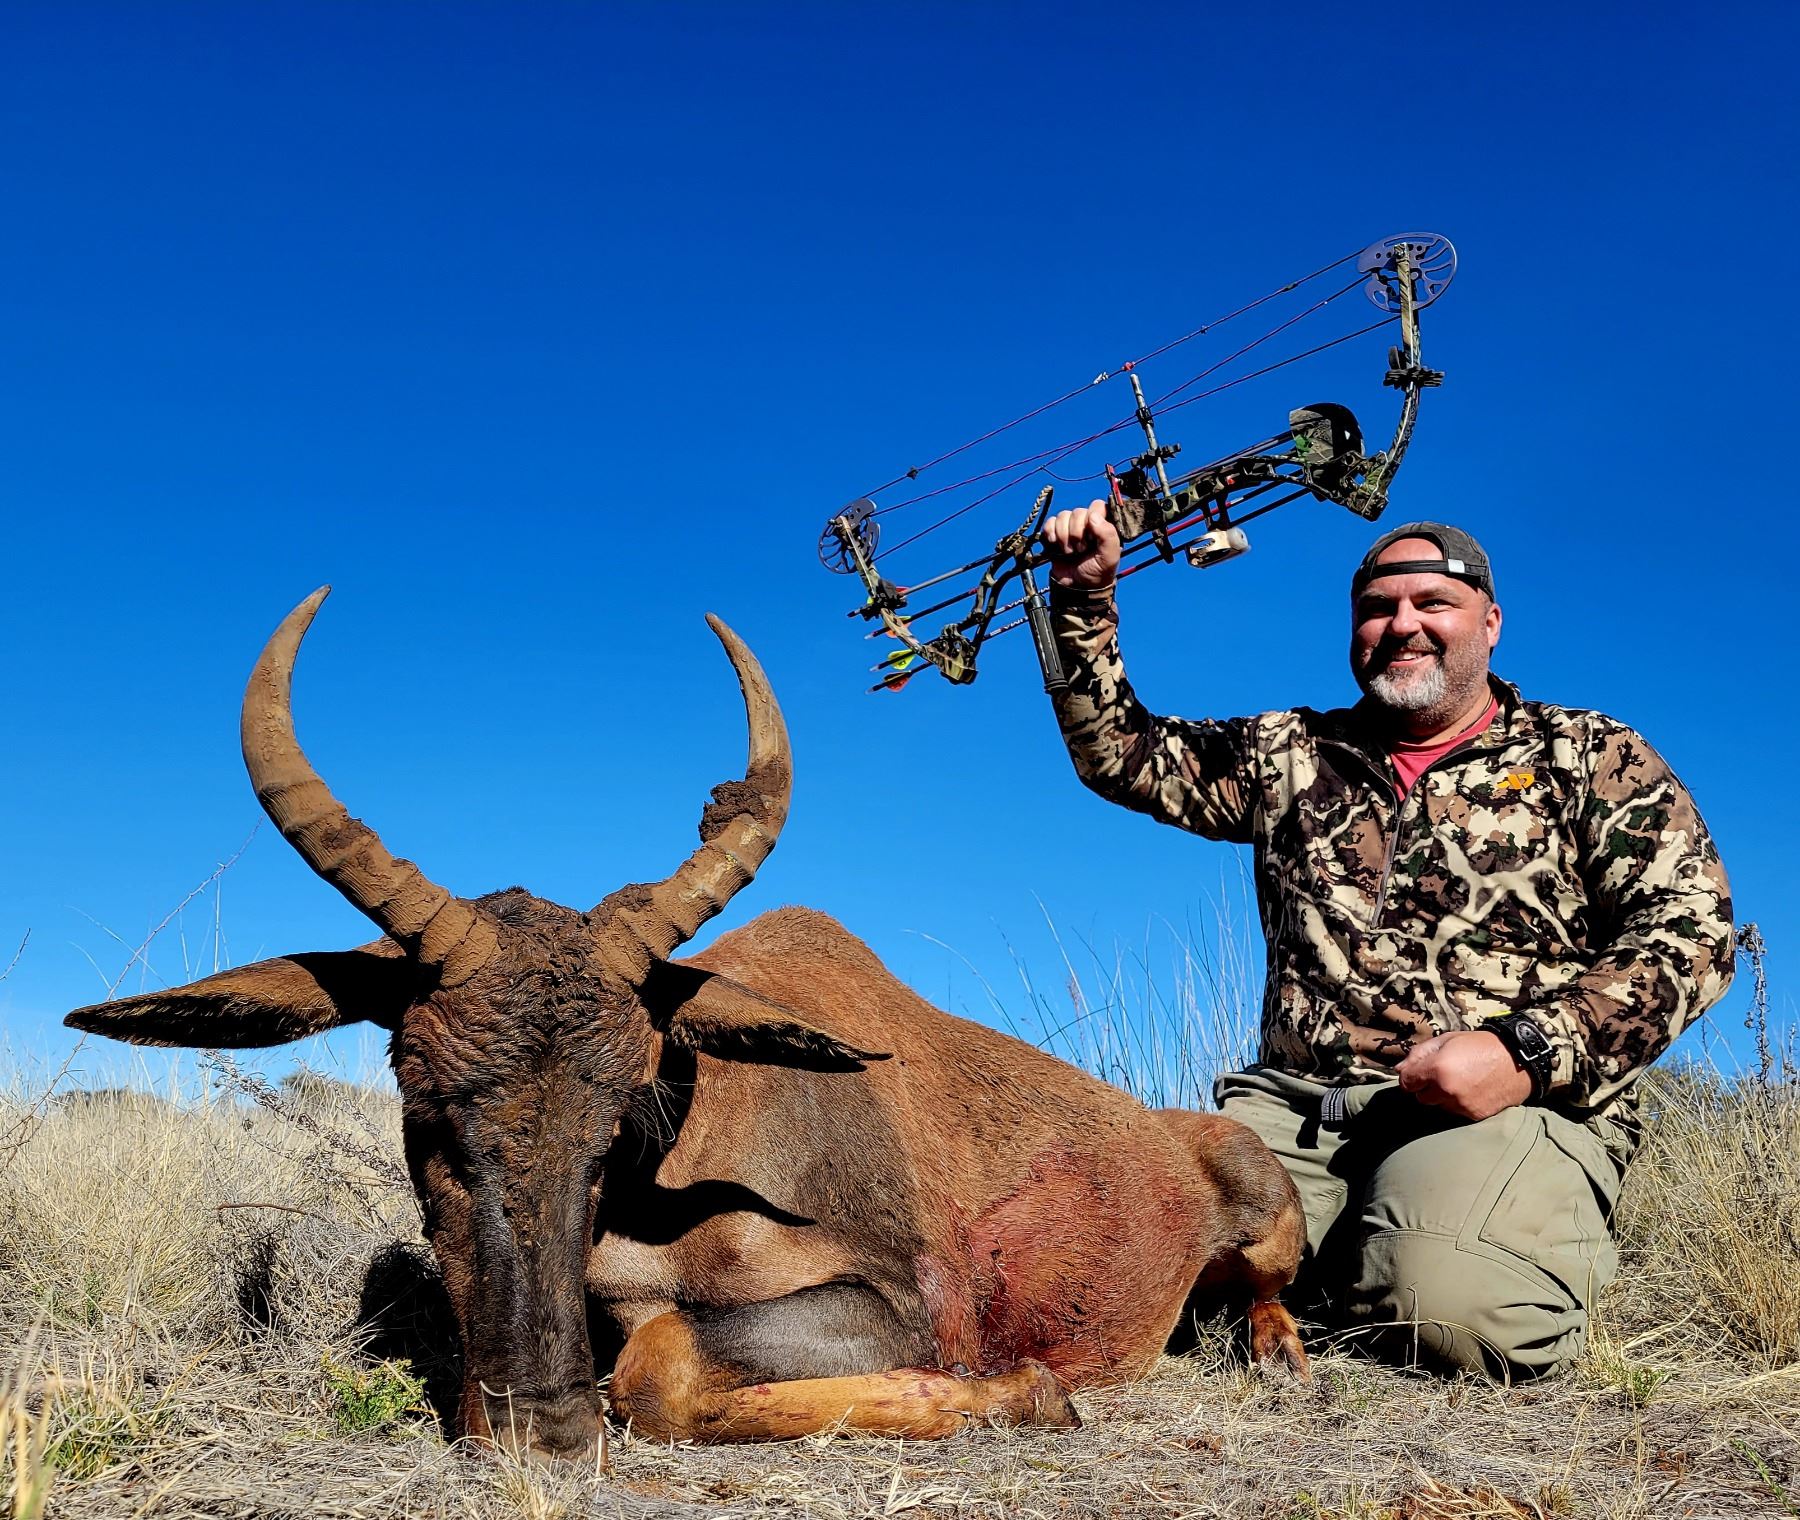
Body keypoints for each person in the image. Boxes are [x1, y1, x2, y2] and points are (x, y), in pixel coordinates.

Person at [1039, 507, 1735, 1380]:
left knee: (1451, 1312)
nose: (1402, 625)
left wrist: (1524, 1051)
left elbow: (1692, 932)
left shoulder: (1588, 753)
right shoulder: (1292, 753)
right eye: (1376, 607)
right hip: (1294, 1110)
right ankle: (1325, 1256)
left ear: (1490, 622)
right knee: (1090, 1283)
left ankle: (1405, 1250)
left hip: (1504, 1110)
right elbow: (1120, 754)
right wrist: (1083, 600)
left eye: (1432, 602)